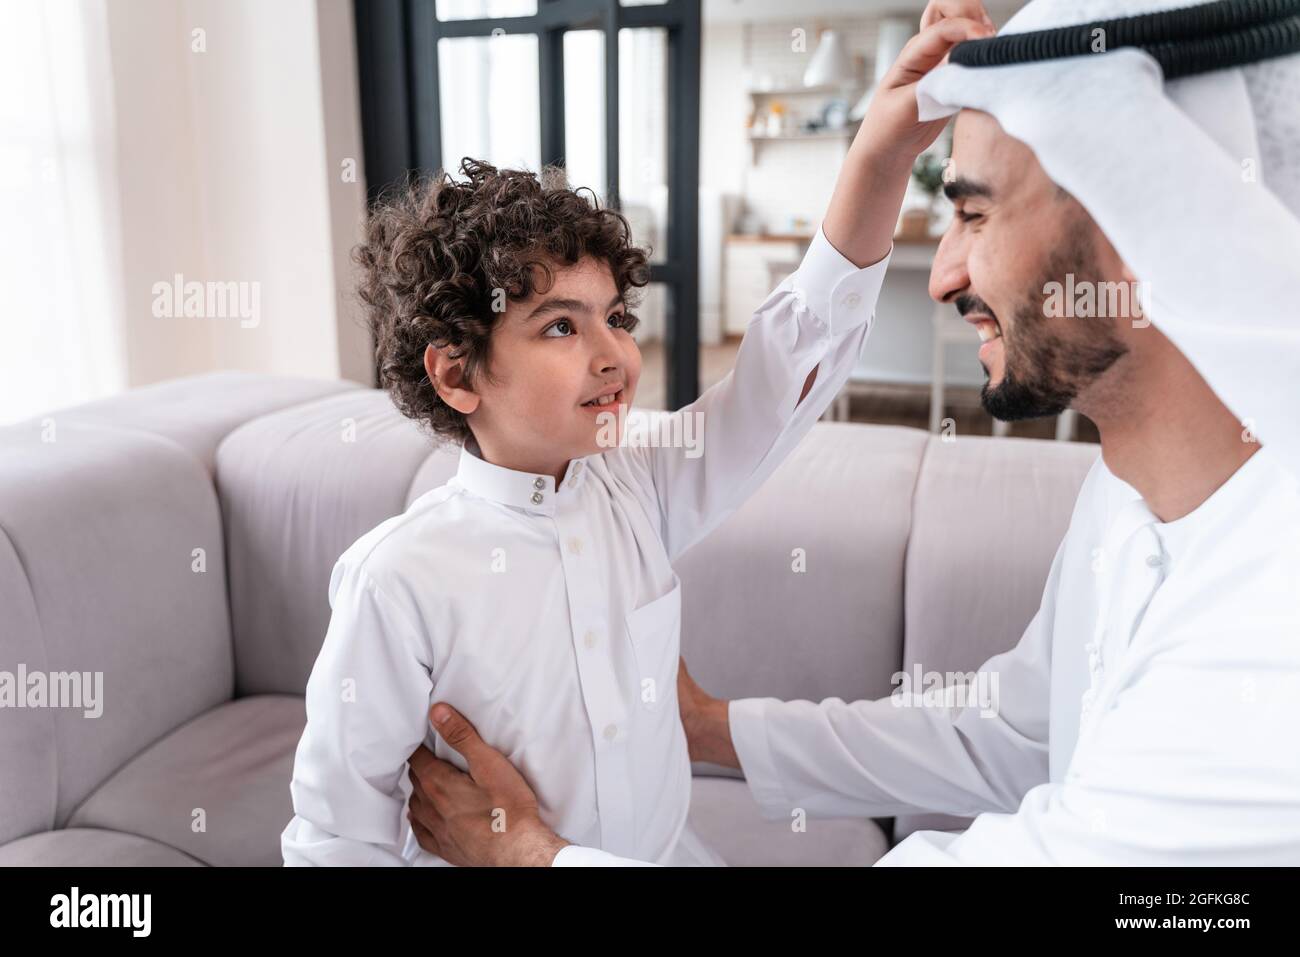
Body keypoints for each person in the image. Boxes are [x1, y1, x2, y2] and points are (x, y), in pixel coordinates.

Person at [404, 0, 1300, 866]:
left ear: (1145, 227)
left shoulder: (1269, 644)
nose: (941, 274)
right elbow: (1019, 731)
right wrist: (703, 726)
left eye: (975, 213)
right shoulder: (1133, 491)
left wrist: (536, 857)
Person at [280, 134, 901, 863]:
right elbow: (337, 835)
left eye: (617, 318)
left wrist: (880, 157)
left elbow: (781, 376)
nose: (615, 356)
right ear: (455, 375)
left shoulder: (639, 489)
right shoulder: (395, 579)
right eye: (562, 326)